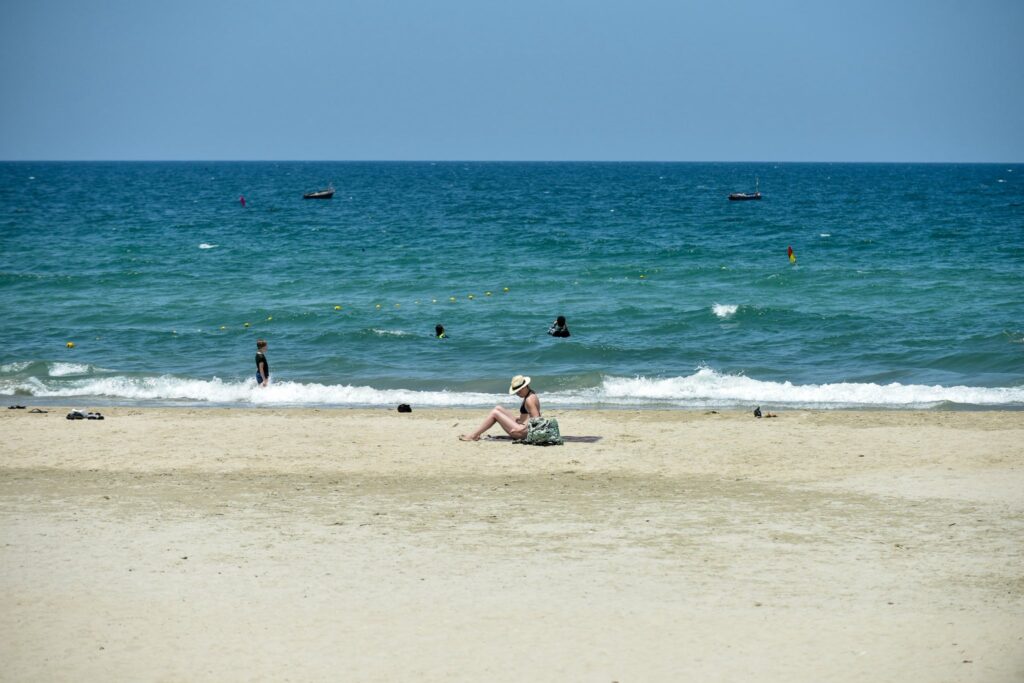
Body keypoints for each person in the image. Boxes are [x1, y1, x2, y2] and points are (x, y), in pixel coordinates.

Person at [459, 374, 540, 441]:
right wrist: (518, 419)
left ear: (525, 386)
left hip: (522, 433)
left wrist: (521, 430)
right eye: (516, 391)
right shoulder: (531, 394)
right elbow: (530, 414)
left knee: (495, 413)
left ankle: (473, 435)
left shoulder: (529, 400)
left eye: (519, 391)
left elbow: (537, 420)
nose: (517, 393)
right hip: (521, 426)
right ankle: (475, 434)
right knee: (498, 408)